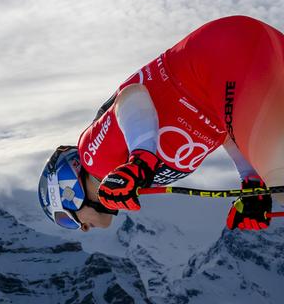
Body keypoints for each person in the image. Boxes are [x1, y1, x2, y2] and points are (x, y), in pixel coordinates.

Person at [38, 15, 284, 232]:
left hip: (223, 58)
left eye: (67, 220)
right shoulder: (131, 176)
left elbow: (131, 96)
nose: (81, 230)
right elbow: (222, 126)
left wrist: (140, 161)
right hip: (244, 54)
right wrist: (252, 179)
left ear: (68, 191)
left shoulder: (96, 160)